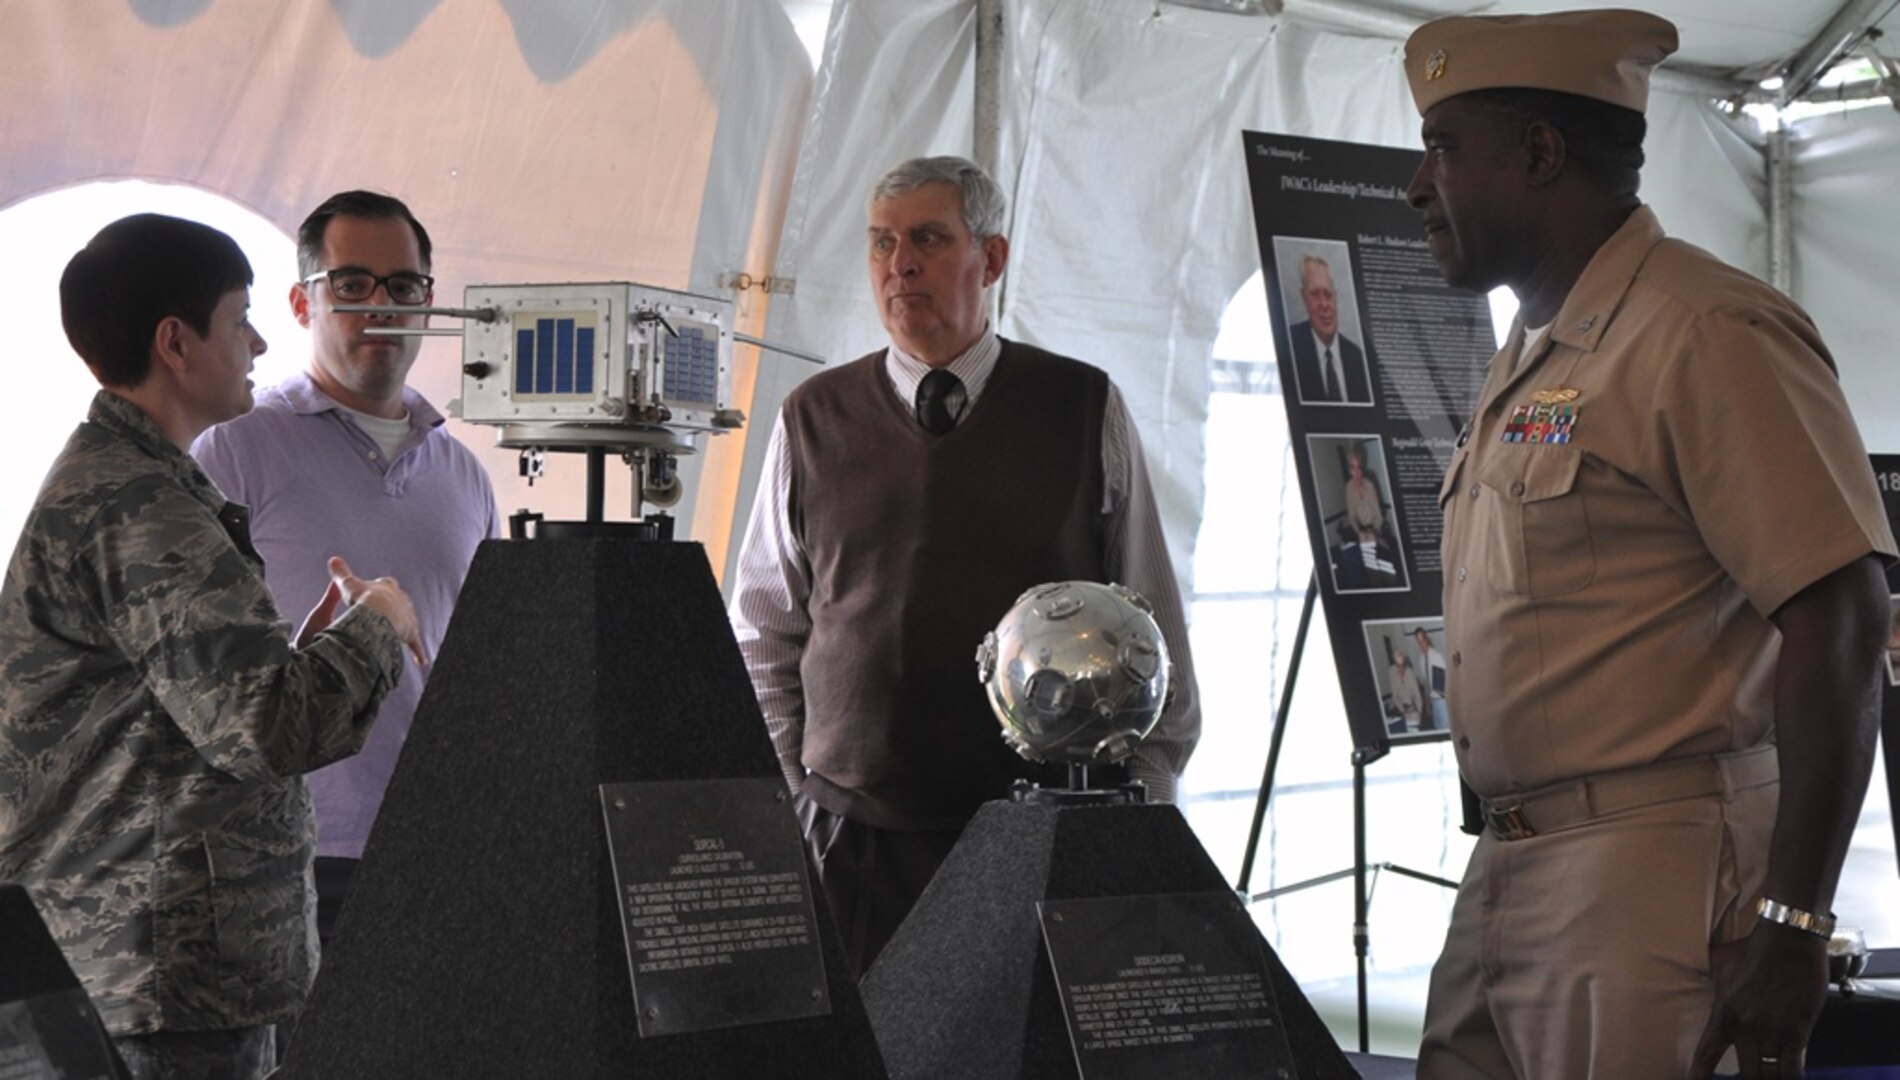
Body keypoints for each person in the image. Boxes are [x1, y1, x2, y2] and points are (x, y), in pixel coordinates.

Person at [1403, 11, 1895, 1078]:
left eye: (1442, 148)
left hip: (1654, 880)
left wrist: (1794, 923)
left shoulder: (1704, 332)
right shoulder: (1537, 350)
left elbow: (1840, 616)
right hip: (1507, 864)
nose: (1415, 182)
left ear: (1537, 154)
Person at [729, 155, 1200, 976]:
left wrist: (1137, 817)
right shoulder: (813, 418)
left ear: (992, 258)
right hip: (854, 847)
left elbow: (1155, 633)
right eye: (881, 243)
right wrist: (797, 796)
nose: (898, 264)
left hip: (1040, 835)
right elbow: (765, 633)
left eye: (928, 239)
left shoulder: (1080, 407)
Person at [0, 214, 428, 1079]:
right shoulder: (140, 507)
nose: (260, 341)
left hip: (155, 968)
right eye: (239, 319)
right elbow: (264, 730)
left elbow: (188, 704)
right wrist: (381, 622)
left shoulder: (138, 484)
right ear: (176, 342)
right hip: (154, 977)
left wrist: (312, 647)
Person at [193, 191, 497, 947]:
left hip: (438, 844)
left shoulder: (465, 476)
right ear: (302, 302)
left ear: (430, 301)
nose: (381, 307)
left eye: (403, 286)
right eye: (352, 285)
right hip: (286, 850)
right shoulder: (233, 450)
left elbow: (483, 667)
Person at [1288, 254, 1370, 404]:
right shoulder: (1289, 347)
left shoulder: (1358, 358)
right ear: (1304, 298)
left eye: (1328, 294)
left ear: (1336, 298)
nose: (1324, 305)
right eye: (1314, 294)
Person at [1413, 626, 1449, 733]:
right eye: (1419, 642)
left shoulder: (1437, 656)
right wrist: (1427, 704)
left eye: (1423, 640)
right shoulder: (1421, 659)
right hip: (1432, 702)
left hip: (1441, 701)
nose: (1421, 644)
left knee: (1445, 729)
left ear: (1426, 639)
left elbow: (1446, 680)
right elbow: (1425, 682)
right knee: (1437, 729)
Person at [1389, 651, 1426, 734]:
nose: (1401, 669)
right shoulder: (1392, 672)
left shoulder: (1411, 673)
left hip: (1412, 707)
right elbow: (1395, 695)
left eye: (1402, 665)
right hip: (1398, 708)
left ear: (1405, 663)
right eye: (1398, 666)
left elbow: (1417, 695)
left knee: (1414, 729)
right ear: (1395, 664)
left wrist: (1419, 712)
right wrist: (1402, 710)